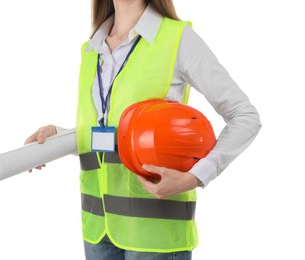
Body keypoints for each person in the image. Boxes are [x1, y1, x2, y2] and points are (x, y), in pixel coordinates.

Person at [25, 0, 261, 259]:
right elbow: (109, 134)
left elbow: (244, 116)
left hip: (155, 235)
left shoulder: (177, 38)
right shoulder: (91, 49)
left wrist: (196, 176)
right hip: (97, 231)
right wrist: (57, 134)